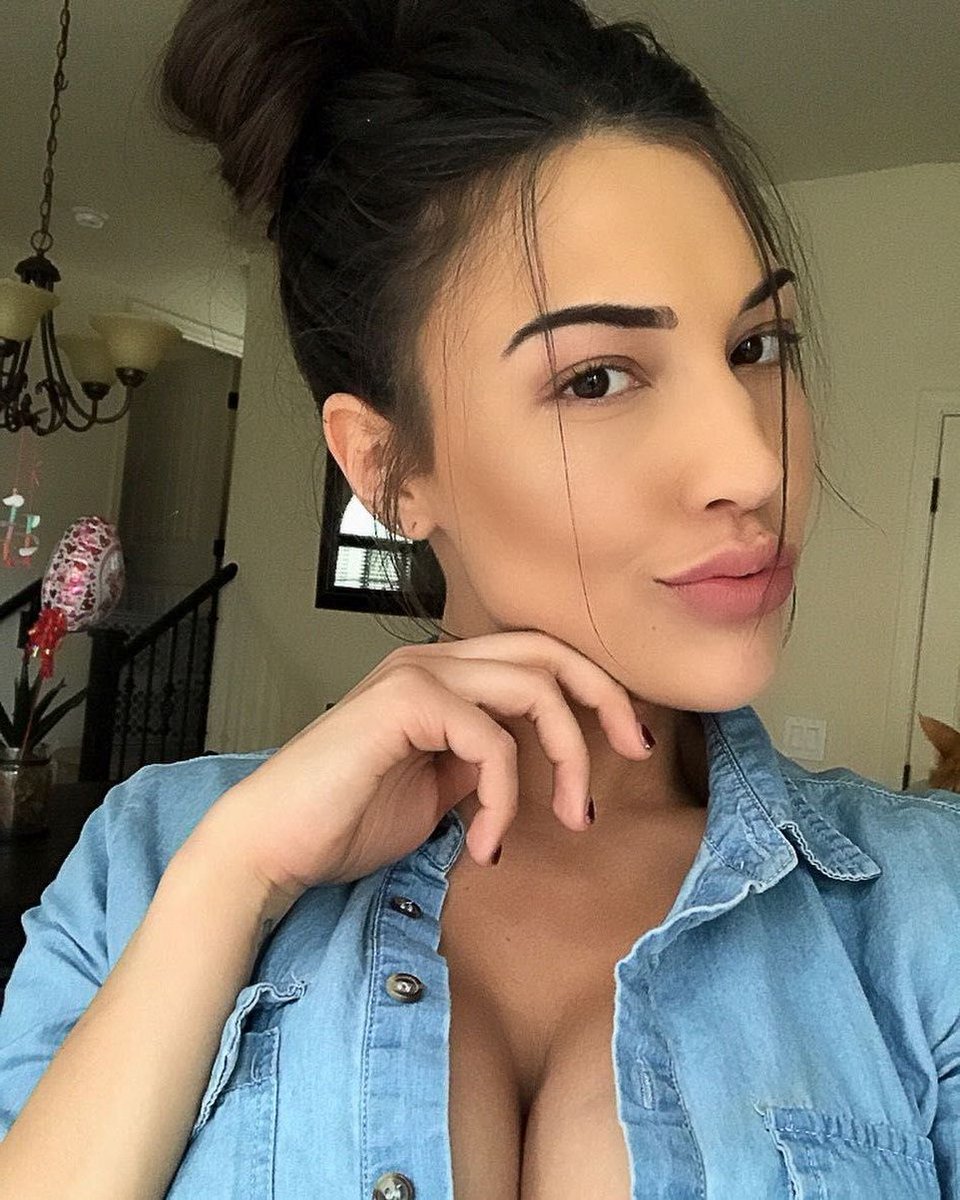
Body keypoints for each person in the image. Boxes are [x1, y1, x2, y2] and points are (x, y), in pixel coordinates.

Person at [0, 0, 957, 1196]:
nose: (753, 467)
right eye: (597, 377)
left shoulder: (927, 912)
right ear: (388, 468)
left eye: (758, 347)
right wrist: (231, 878)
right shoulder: (152, 860)